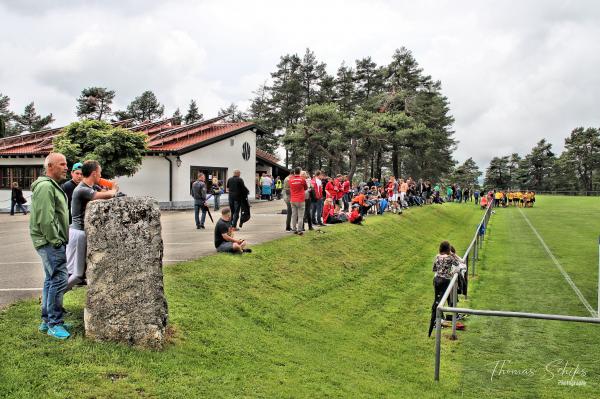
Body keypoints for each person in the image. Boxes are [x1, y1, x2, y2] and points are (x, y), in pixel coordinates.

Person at [29, 152, 70, 339]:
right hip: (49, 241)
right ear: (50, 166)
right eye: (62, 164)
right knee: (59, 280)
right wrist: (56, 240)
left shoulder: (50, 186)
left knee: (50, 280)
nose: (66, 167)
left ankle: (47, 322)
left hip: (47, 240)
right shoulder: (46, 187)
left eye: (66, 164)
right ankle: (55, 323)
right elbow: (46, 219)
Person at [66, 160, 118, 291]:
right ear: (94, 173)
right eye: (100, 173)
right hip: (78, 233)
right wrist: (113, 189)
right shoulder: (82, 189)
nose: (101, 176)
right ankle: (51, 296)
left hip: (81, 232)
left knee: (79, 274)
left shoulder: (89, 187)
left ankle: (52, 297)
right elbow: (107, 195)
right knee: (77, 274)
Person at [289, 167, 307, 235]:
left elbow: (290, 187)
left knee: (294, 215)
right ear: (300, 172)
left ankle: (294, 229)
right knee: (300, 216)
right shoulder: (302, 179)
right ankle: (299, 230)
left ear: (294, 172)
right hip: (300, 200)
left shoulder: (290, 180)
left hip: (293, 199)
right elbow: (305, 188)